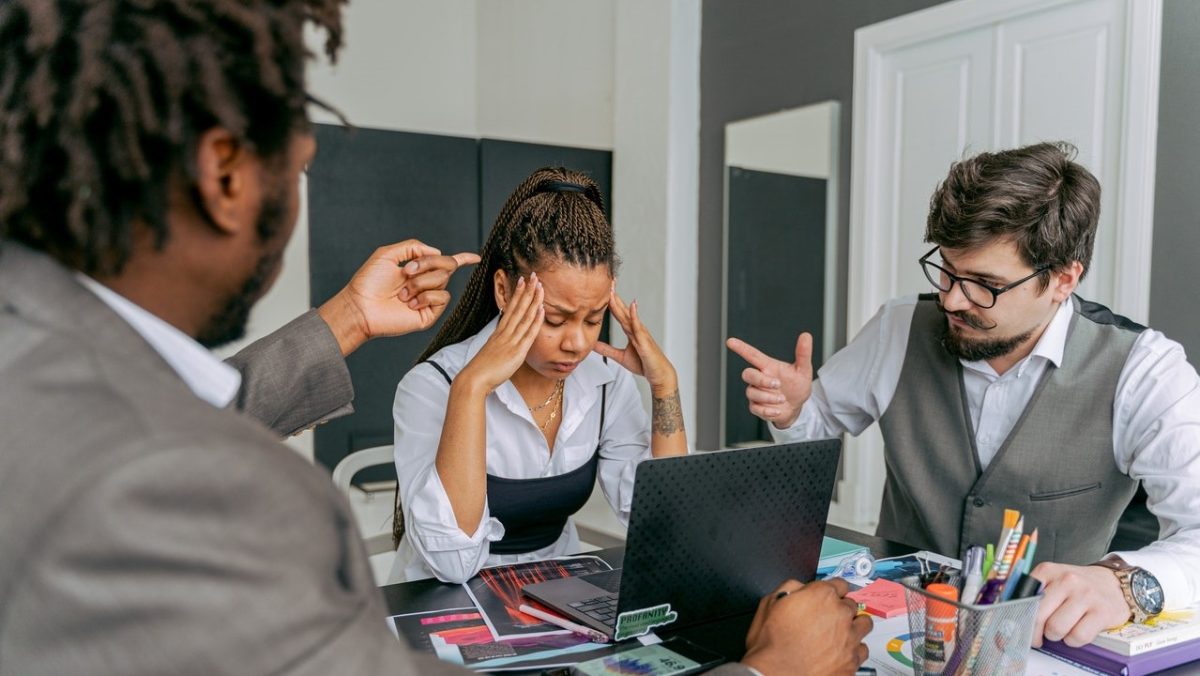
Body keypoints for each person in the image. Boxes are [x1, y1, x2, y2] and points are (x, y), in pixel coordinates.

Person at [0, 2, 870, 674]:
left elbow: (183, 405)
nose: (574, 340)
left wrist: (347, 314)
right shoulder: (187, 493)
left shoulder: (40, 372)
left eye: (589, 317)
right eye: (301, 166)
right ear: (226, 173)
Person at [728, 141, 1200, 648]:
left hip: (1044, 646)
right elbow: (817, 422)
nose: (952, 299)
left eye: (984, 284)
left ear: (1063, 279)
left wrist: (1122, 584)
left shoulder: (1145, 369)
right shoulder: (897, 327)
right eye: (947, 270)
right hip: (892, 632)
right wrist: (798, 408)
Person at [389, 167, 688, 583]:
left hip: (555, 591)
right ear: (505, 291)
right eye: (554, 319)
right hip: (447, 600)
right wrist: (472, 389)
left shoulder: (605, 383)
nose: (576, 344)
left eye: (593, 319)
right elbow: (451, 564)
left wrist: (664, 386)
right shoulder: (432, 386)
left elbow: (664, 521)